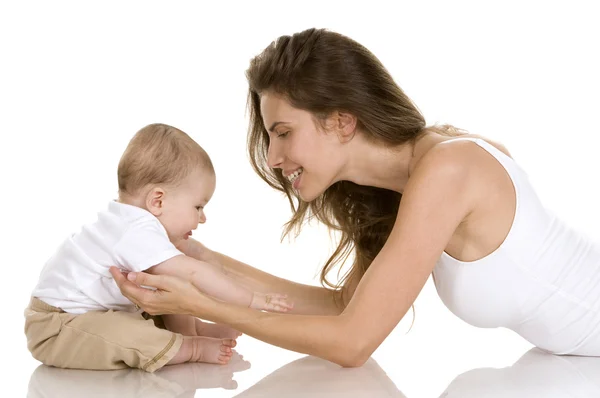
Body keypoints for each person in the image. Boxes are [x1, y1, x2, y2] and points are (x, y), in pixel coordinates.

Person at [111, 28, 600, 367]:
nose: (275, 157)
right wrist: (200, 258)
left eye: (283, 132)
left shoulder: (450, 170)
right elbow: (344, 307)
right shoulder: (407, 186)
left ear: (342, 121)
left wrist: (202, 303)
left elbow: (352, 343)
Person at [24, 123, 292, 372]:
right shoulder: (134, 231)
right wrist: (252, 299)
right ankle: (191, 346)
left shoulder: (131, 223)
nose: (202, 218)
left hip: (90, 318)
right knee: (127, 330)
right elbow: (193, 273)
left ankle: (191, 331)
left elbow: (188, 272)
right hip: (57, 328)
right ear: (158, 201)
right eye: (198, 206)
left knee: (165, 294)